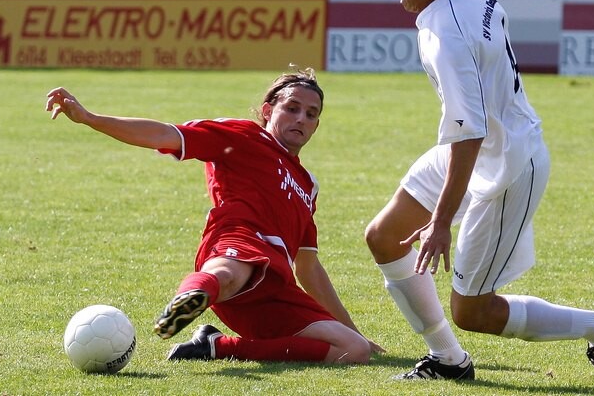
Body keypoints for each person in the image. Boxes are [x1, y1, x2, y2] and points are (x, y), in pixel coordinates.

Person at [364, 0, 594, 383]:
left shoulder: (446, 38)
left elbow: (468, 135)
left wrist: (442, 220)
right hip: (475, 149)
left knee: (473, 311)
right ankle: (448, 360)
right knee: (384, 236)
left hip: (507, 166)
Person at [46, 68, 382, 364]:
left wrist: (355, 332)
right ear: (268, 110)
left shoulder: (308, 185)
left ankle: (216, 346)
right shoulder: (243, 136)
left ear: (317, 125)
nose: (301, 119)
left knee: (352, 351)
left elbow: (308, 268)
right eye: (291, 108)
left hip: (275, 291)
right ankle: (192, 296)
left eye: (311, 114)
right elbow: (164, 134)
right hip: (237, 242)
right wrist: (90, 118)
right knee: (231, 272)